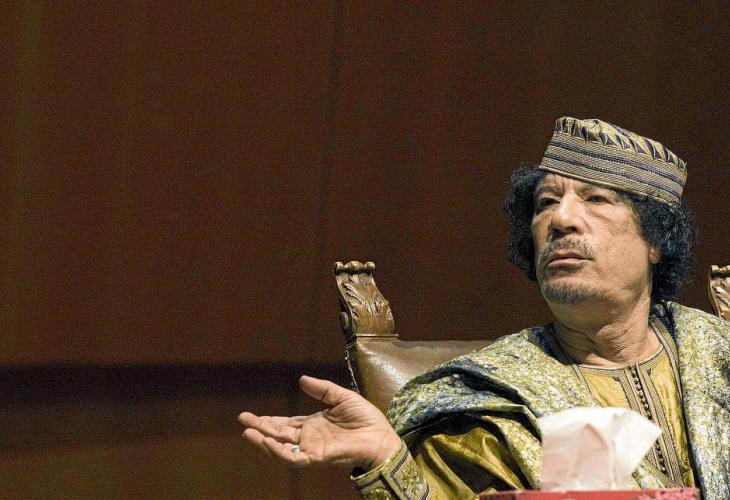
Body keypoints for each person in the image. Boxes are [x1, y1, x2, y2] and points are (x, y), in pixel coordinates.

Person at [239, 117, 730, 499]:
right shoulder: (484, 400)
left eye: (597, 199)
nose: (561, 219)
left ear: (656, 241)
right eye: (545, 202)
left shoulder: (718, 355)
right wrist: (386, 457)